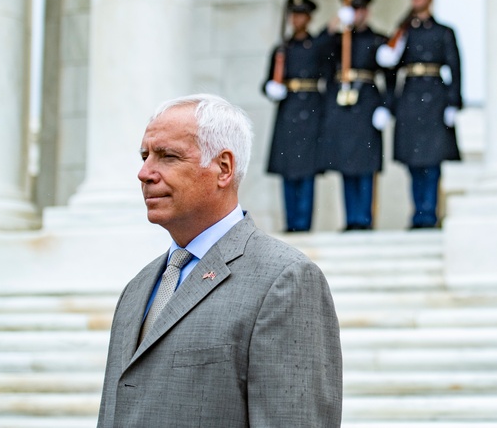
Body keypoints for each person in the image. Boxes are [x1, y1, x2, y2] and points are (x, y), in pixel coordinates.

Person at [97, 94, 342, 428]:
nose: (144, 173)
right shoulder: (137, 289)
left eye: (168, 156)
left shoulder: (285, 280)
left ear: (223, 168)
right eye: (144, 156)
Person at [376, 0, 462, 228]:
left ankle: (429, 214)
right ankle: (418, 214)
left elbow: (456, 68)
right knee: (414, 162)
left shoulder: (444, 32)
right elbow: (390, 71)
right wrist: (389, 104)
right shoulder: (403, 33)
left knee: (432, 161)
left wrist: (453, 102)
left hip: (435, 99)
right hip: (410, 99)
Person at [317, 0, 395, 230]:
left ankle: (365, 218)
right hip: (342, 106)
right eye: (352, 10)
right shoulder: (339, 39)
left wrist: (386, 107)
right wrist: (333, 24)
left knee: (365, 164)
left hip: (367, 104)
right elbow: (317, 53)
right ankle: (351, 219)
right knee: (346, 164)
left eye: (360, 10)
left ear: (367, 12)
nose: (356, 14)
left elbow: (390, 77)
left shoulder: (378, 39)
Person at [262, 0, 327, 232]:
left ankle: (304, 223)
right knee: (288, 169)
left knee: (307, 170)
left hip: (311, 109)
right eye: (293, 14)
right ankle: (291, 222)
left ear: (309, 18)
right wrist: (273, 87)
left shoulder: (317, 46)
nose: (296, 19)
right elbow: (267, 83)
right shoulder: (281, 49)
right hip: (288, 110)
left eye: (300, 15)